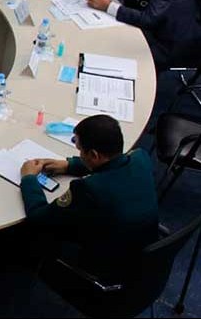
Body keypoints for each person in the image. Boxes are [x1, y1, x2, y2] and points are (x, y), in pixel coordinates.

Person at [19, 114, 158, 282]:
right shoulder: (140, 158)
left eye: (80, 150)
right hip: (145, 250)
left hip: (107, 264)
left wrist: (29, 178)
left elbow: (39, 217)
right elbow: (113, 165)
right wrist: (70, 165)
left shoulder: (88, 189)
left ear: (93, 154)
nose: (79, 153)